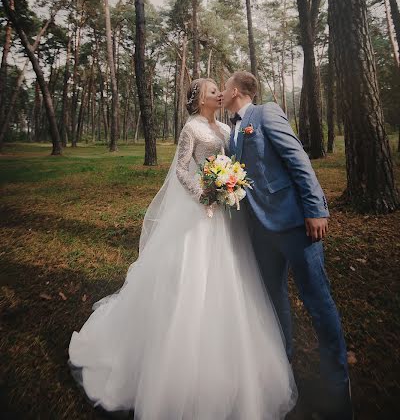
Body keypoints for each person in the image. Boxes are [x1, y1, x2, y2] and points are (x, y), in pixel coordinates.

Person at [68, 77, 297, 420]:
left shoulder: (224, 127)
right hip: (201, 212)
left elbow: (236, 162)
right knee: (192, 278)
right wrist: (203, 193)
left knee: (235, 278)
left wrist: (230, 184)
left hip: (226, 217)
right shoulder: (191, 128)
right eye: (212, 91)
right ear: (199, 99)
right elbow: (180, 168)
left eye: (220, 89)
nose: (219, 93)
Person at [222, 70, 353, 420]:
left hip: (297, 226)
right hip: (261, 233)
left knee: (318, 301)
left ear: (236, 90)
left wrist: (315, 209)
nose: (220, 91)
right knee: (273, 299)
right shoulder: (234, 131)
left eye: (224, 86)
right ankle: (283, 373)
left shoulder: (264, 113)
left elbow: (298, 159)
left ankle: (338, 393)